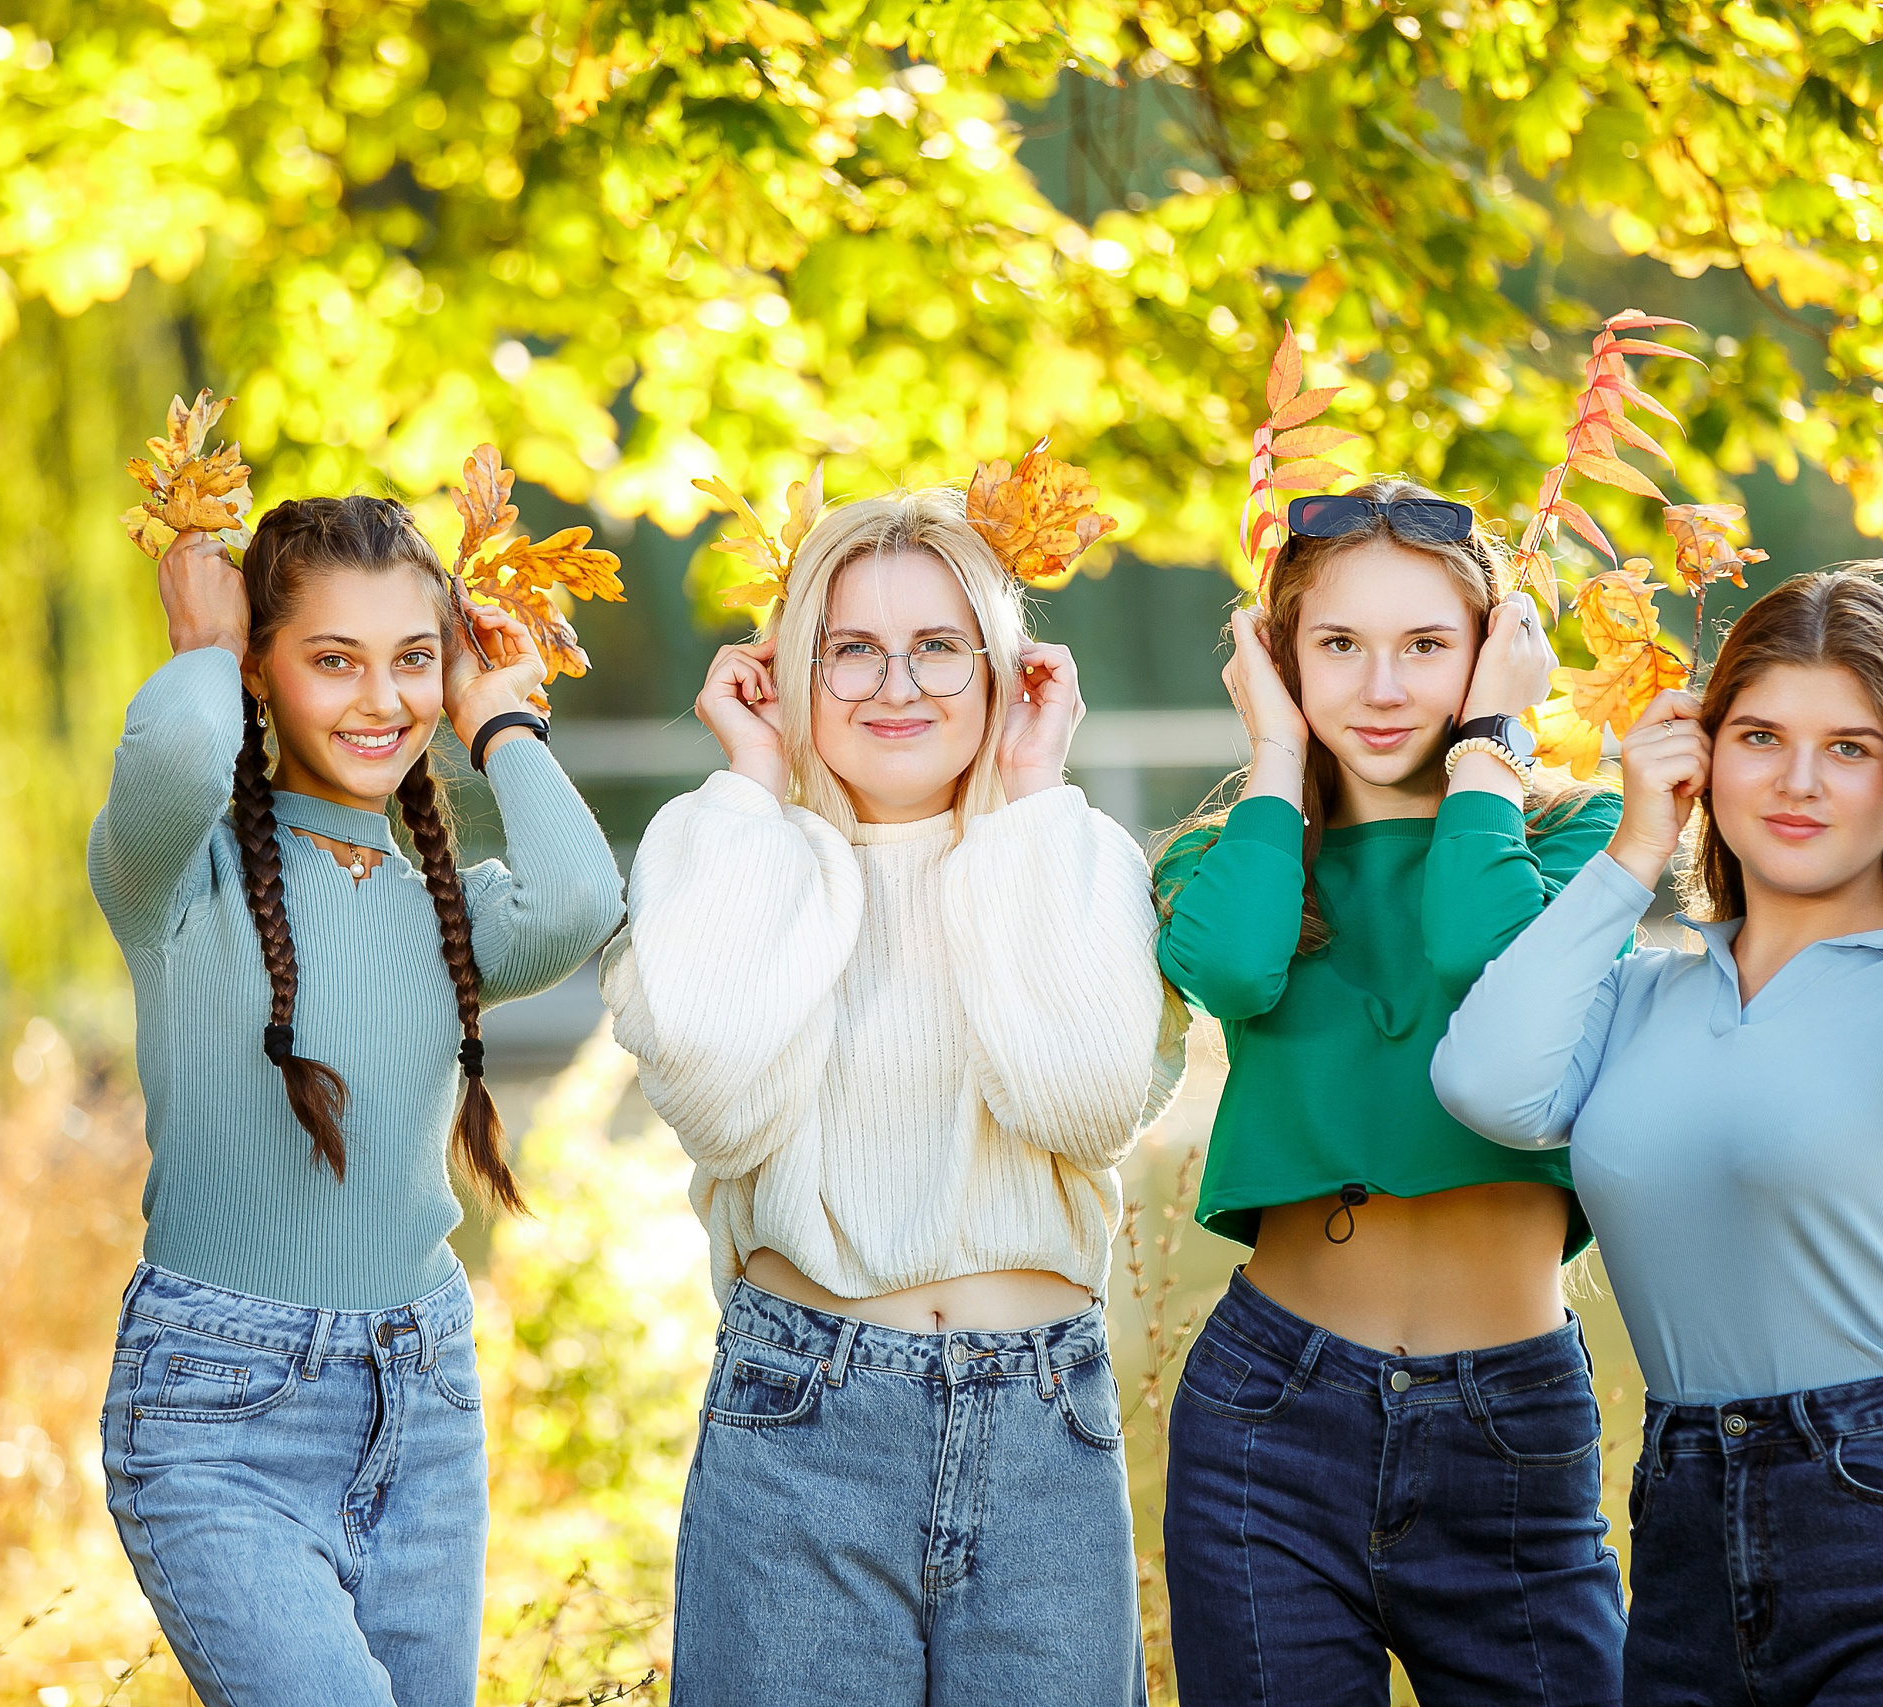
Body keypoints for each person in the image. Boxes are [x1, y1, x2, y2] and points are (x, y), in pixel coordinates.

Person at [1433, 570, 1883, 1705]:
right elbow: (1484, 1084)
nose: (1799, 782)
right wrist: (1634, 847)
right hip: (1686, 1542)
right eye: (1760, 736)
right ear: (1703, 756)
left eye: (1850, 748)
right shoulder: (1637, 997)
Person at [601, 484, 1185, 1707]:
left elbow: (1086, 1105)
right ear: (789, 674)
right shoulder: (726, 848)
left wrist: (1028, 792)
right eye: (851, 650)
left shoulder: (1069, 852)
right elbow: (716, 1099)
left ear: (1002, 668)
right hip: (801, 1421)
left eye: (937, 647)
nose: (897, 687)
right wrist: (754, 780)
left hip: (1040, 1427)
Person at [90, 497, 623, 1707]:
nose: (381, 700)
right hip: (219, 1417)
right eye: (334, 660)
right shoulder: (174, 879)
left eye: (412, 659)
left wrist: (496, 714)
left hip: (421, 1403)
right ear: (261, 668)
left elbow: (582, 899)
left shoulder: (447, 910)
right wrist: (203, 646)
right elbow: (177, 755)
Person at [1154, 477, 1627, 1706]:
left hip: (1509, 1422)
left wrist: (1490, 750)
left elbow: (1488, 957)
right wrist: (1273, 757)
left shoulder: (1580, 841)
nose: (1380, 687)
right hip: (1268, 1417)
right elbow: (1234, 969)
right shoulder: (1232, 857)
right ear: (1277, 659)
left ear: (1494, 650)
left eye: (1425, 645)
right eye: (1336, 646)